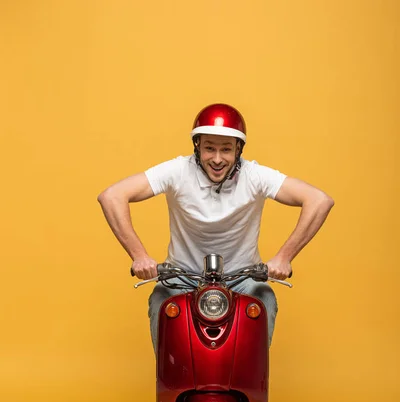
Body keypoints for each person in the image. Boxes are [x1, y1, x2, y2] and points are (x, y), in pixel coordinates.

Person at [97, 103, 334, 350]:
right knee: (161, 300)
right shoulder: (177, 170)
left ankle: (253, 384)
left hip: (243, 278)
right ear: (197, 146)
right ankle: (170, 385)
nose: (218, 159)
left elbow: (319, 200)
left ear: (238, 150)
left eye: (226, 150)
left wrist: (284, 257)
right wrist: (139, 256)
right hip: (182, 276)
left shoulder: (255, 175)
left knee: (264, 298)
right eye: (210, 148)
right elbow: (112, 196)